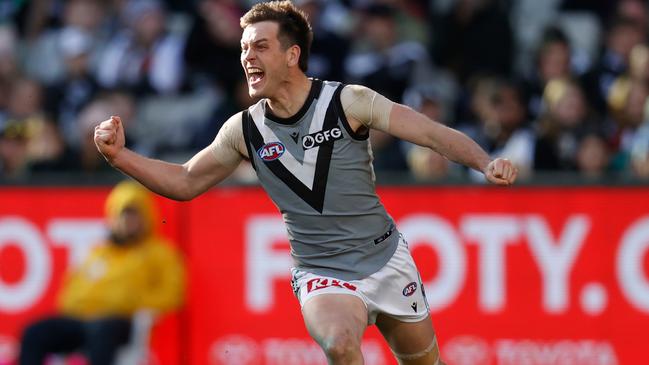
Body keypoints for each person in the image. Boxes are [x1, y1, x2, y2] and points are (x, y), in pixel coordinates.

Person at [94, 2, 517, 364]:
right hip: (322, 272)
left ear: (292, 54)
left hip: (387, 259)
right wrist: (120, 157)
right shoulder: (245, 129)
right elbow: (186, 181)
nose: (248, 57)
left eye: (260, 46)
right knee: (339, 343)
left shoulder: (347, 101)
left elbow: (430, 133)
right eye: (244, 48)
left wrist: (485, 161)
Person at [19, 180, 185, 365]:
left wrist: (131, 302)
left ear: (146, 216)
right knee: (35, 332)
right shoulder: (99, 252)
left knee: (102, 331)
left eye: (133, 215)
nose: (127, 221)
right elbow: (71, 290)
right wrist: (81, 306)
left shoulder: (158, 253)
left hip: (120, 321)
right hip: (82, 321)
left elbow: (172, 293)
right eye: (123, 214)